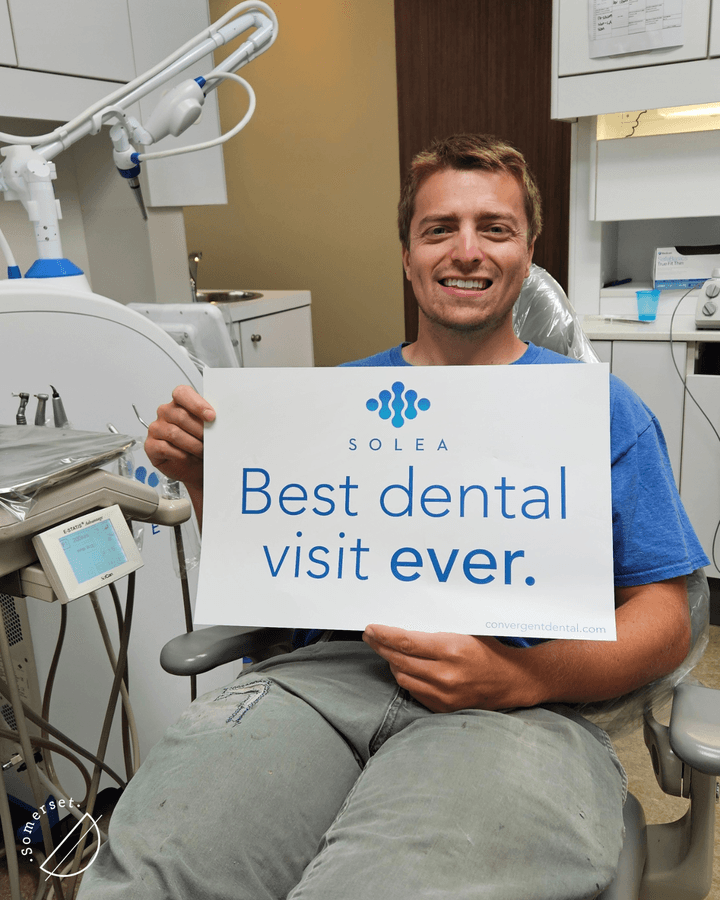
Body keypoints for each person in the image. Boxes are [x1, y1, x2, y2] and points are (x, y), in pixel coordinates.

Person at [78, 134, 708, 900]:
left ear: (529, 250)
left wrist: (522, 675)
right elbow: (281, 572)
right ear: (408, 255)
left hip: (521, 711)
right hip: (317, 687)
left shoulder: (601, 411)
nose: (466, 251)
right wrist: (211, 478)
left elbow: (666, 620)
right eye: (439, 229)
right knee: (156, 876)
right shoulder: (331, 403)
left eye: (494, 228)